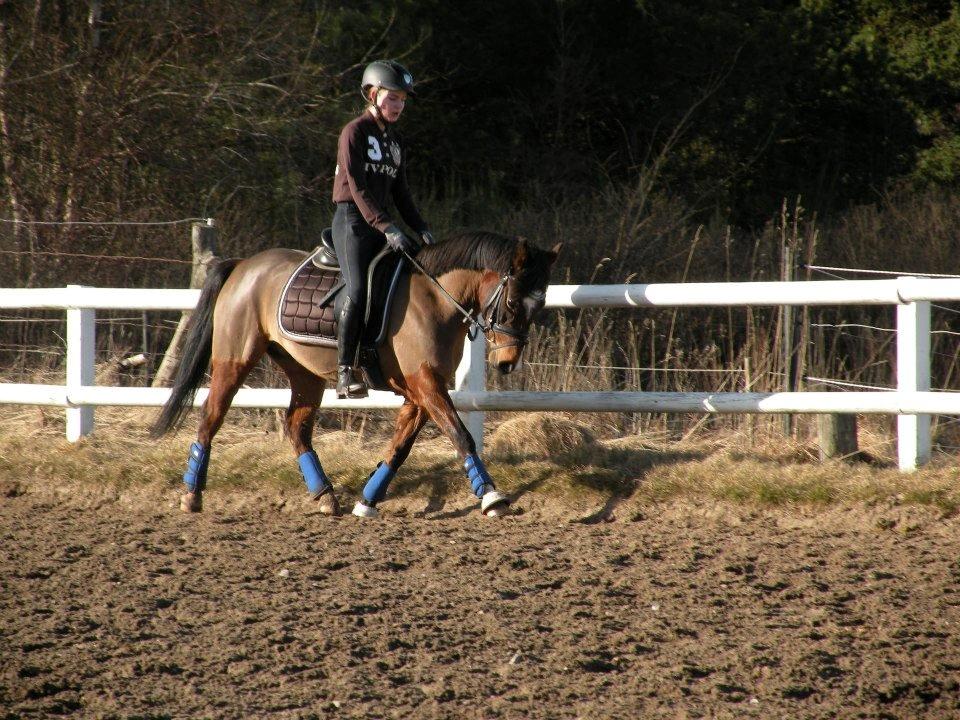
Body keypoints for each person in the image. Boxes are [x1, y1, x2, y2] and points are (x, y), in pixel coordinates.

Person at [331, 59, 434, 399]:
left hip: (381, 223)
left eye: (403, 100)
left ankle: (375, 355)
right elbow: (358, 188)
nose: (398, 106)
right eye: (392, 98)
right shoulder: (354, 132)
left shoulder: (395, 142)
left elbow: (401, 192)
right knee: (358, 290)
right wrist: (386, 226)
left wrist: (420, 228)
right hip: (353, 223)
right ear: (373, 95)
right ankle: (345, 370)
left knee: (401, 282)